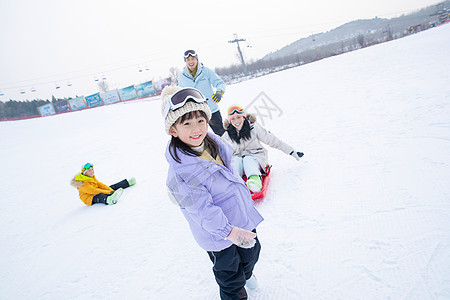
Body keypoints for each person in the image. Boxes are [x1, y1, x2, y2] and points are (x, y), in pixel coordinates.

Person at [161, 85, 263, 300]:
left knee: (252, 254)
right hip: (218, 233)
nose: (196, 128)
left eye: (200, 120)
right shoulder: (182, 173)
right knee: (230, 275)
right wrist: (230, 232)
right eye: (186, 123)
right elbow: (203, 212)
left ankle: (247, 275)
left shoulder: (213, 142)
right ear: (173, 130)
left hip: (240, 215)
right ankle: (236, 291)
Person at [222, 105, 304, 193]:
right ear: (229, 121)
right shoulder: (227, 136)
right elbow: (219, 152)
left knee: (247, 159)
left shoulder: (253, 129)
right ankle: (235, 184)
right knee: (236, 160)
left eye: (238, 117)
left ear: (244, 117)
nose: (236, 121)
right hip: (238, 163)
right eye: (233, 119)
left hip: (255, 158)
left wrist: (291, 151)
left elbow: (272, 140)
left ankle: (255, 182)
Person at [178, 49, 226, 136]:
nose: (191, 61)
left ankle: (229, 149)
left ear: (197, 59)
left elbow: (220, 83)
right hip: (195, 113)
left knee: (221, 134)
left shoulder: (206, 71)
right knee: (200, 136)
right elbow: (181, 93)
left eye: (193, 59)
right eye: (188, 60)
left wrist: (219, 92)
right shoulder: (182, 77)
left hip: (211, 109)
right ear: (185, 61)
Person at [70, 163, 136, 205]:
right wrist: (110, 192)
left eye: (92, 169)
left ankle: (127, 183)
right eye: (89, 170)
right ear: (85, 173)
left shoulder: (90, 177)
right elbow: (94, 191)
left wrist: (110, 190)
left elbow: (100, 185)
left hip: (96, 190)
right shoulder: (82, 184)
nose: (92, 171)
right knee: (100, 196)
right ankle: (110, 200)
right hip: (89, 197)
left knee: (111, 187)